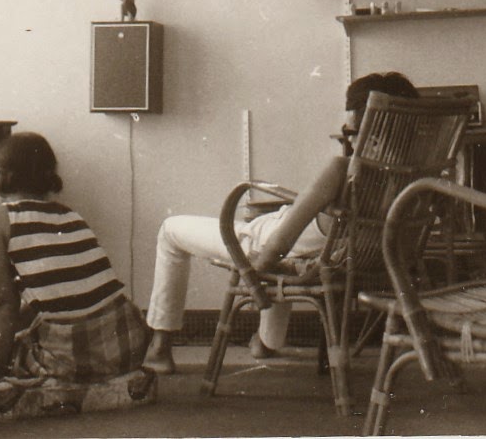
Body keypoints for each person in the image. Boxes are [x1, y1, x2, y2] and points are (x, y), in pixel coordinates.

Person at [143, 72, 419, 375]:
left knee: (171, 230)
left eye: (349, 129)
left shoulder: (341, 170)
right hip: (332, 256)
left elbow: (278, 245)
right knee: (288, 247)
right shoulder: (414, 178)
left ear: (368, 131)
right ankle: (266, 343)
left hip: (275, 243)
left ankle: (159, 349)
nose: (348, 138)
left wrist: (254, 274)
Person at [0, 132, 150, 381]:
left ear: (4, 175)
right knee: (24, 318)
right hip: (127, 344)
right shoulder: (70, 215)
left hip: (71, 356)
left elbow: (5, 304)